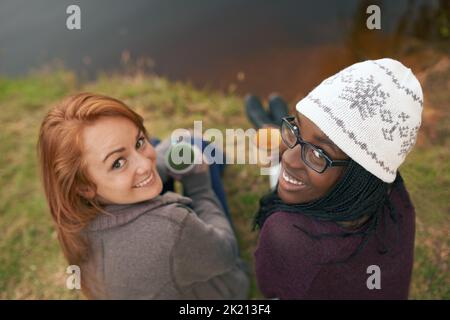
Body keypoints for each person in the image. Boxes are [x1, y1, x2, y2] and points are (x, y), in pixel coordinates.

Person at [37, 93, 249, 299]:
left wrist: (155, 163)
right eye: (118, 163)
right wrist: (200, 186)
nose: (146, 164)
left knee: (173, 146)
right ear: (84, 187)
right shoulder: (171, 226)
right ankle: (218, 161)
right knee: (193, 147)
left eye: (139, 141)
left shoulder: (72, 213)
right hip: (221, 291)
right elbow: (226, 253)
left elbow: (145, 162)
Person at [248, 58, 423, 299]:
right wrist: (311, 148)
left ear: (359, 176)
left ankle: (267, 127)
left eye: (320, 153)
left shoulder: (288, 234)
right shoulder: (394, 196)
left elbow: (270, 289)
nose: (289, 158)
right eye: (296, 127)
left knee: (280, 164)